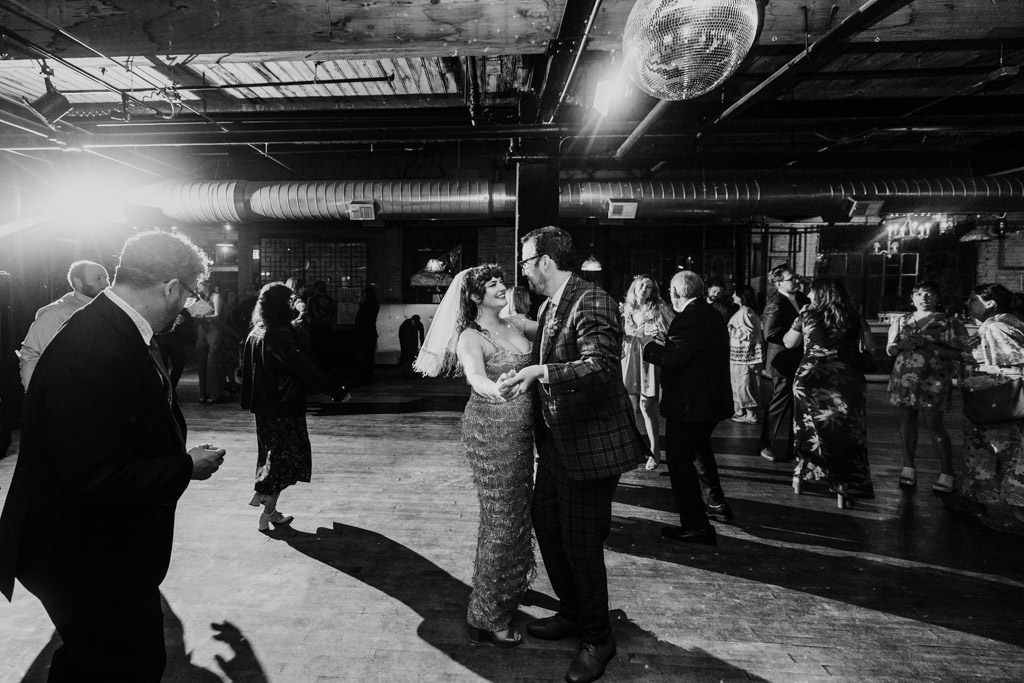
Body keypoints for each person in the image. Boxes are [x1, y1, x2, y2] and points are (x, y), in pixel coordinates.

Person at [0, 230, 226, 681]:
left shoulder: (111, 329)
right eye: (187, 294)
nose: (186, 307)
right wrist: (185, 467)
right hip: (80, 557)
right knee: (127, 667)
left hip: (90, 550)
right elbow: (97, 479)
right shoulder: (98, 348)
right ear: (170, 288)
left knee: (95, 663)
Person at [501, 226, 645, 683]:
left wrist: (543, 371)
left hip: (590, 445)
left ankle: (598, 637)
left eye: (526, 261)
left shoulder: (592, 299)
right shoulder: (553, 303)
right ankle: (574, 612)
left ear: (545, 261)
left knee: (581, 542)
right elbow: (551, 351)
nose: (523, 270)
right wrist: (521, 371)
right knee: (546, 522)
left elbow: (601, 366)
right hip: (560, 443)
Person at [414, 264, 536, 648]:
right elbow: (475, 375)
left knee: (518, 514)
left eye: (501, 281)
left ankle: (509, 586)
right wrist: (493, 389)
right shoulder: (470, 336)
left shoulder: (515, 323)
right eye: (491, 284)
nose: (501, 287)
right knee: (501, 518)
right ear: (473, 296)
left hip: (522, 434)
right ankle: (488, 614)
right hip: (492, 432)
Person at [240, 283, 349, 531]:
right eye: (290, 301)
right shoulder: (282, 335)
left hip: (263, 407)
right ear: (282, 305)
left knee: (271, 456)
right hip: (284, 406)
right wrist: (336, 391)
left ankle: (266, 500)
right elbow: (306, 366)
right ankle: (266, 509)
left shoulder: (257, 330)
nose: (294, 304)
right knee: (286, 461)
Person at [643, 270, 734, 540]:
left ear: (676, 293)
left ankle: (696, 524)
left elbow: (672, 360)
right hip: (710, 402)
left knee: (679, 462)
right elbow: (691, 353)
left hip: (689, 405)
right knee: (700, 451)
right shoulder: (712, 313)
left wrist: (648, 345)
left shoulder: (687, 319)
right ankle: (716, 503)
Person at [784, 278, 874, 508]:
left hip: (810, 379)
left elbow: (789, 343)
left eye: (812, 291)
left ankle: (802, 476)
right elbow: (871, 348)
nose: (809, 295)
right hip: (846, 381)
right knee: (846, 434)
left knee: (808, 430)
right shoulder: (854, 316)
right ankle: (844, 489)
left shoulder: (806, 314)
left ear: (820, 293)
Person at [952, 283, 1024, 535]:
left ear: (990, 303)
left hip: (997, 404)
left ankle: (1018, 515)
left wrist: (973, 381)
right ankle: (975, 498)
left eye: (973, 299)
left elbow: (1014, 366)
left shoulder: (996, 327)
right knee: (981, 450)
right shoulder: (1005, 324)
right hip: (988, 404)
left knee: (1007, 455)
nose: (968, 304)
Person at [885, 281, 967, 492]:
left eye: (929, 294)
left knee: (934, 422)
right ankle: (908, 466)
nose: (924, 298)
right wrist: (899, 346)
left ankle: (947, 471)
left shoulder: (950, 322)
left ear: (938, 298)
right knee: (906, 420)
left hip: (935, 378)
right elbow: (890, 349)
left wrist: (929, 345)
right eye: (919, 294)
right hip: (904, 377)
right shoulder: (902, 320)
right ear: (912, 298)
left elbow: (962, 353)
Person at [18, 260, 109, 389]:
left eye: (106, 278)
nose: (106, 283)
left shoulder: (106, 309)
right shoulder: (55, 314)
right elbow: (31, 359)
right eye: (98, 278)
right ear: (78, 282)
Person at [620, 274, 673, 471]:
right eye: (641, 285)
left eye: (649, 287)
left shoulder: (658, 308)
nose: (644, 289)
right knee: (630, 407)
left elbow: (669, 332)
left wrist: (657, 334)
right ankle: (633, 450)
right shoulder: (624, 309)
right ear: (634, 287)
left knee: (647, 407)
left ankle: (655, 451)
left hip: (648, 358)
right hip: (630, 357)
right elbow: (620, 333)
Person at [759, 263, 809, 462]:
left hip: (800, 357)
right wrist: (793, 335)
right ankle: (765, 444)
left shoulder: (802, 298)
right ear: (778, 283)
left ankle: (794, 447)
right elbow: (770, 334)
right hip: (783, 359)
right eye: (792, 278)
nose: (796, 280)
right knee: (780, 401)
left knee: (799, 403)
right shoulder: (775, 303)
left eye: (797, 276)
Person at [728, 284, 763, 424]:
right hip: (744, 356)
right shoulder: (748, 311)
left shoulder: (745, 312)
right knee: (743, 383)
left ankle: (750, 414)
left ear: (742, 297)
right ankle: (742, 411)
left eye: (735, 294)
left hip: (743, 358)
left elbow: (748, 333)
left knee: (743, 384)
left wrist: (730, 329)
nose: (732, 296)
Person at [193, 280, 224, 404]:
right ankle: (203, 393)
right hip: (202, 330)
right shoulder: (199, 298)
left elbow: (217, 315)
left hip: (213, 330)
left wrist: (204, 317)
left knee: (211, 362)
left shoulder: (216, 296)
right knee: (201, 361)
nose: (197, 286)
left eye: (199, 284)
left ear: (206, 285)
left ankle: (215, 393)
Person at [307, 280, 337, 369]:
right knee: (327, 349)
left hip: (315, 328)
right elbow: (333, 312)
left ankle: (317, 370)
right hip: (327, 327)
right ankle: (328, 369)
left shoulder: (312, 299)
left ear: (316, 289)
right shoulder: (330, 299)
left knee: (316, 350)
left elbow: (310, 313)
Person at [355, 285, 380, 385]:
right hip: (371, 332)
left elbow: (357, 319)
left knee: (363, 356)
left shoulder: (364, 306)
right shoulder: (375, 306)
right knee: (370, 356)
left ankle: (363, 376)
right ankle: (368, 375)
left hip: (363, 333)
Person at [398, 314, 425, 378]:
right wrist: (413, 348)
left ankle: (411, 370)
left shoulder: (419, 324)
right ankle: (407, 370)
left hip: (409, 338)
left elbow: (421, 335)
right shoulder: (407, 324)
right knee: (406, 353)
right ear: (412, 321)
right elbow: (407, 337)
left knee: (412, 353)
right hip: (404, 338)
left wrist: (422, 346)